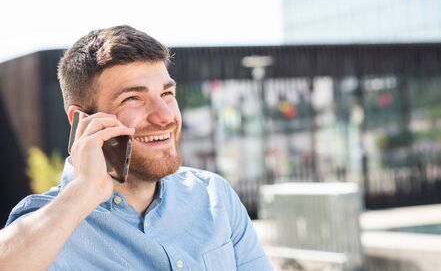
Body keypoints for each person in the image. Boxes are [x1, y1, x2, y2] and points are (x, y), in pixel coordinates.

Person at [0, 25, 272, 270]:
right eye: (133, 98)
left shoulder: (214, 195)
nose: (165, 116)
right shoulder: (46, 224)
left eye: (167, 94)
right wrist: (83, 191)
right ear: (81, 120)